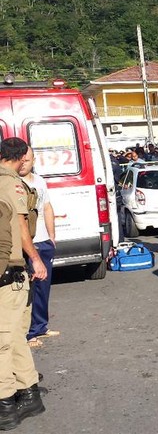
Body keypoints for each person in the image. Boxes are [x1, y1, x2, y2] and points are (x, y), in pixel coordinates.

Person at [0, 138, 46, 430]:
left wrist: (35, 259)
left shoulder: (9, 183)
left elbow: (19, 227)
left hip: (10, 272)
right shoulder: (10, 182)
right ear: (19, 158)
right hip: (12, 272)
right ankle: (27, 393)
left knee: (4, 339)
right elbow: (20, 225)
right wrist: (35, 259)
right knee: (12, 336)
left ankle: (5, 401)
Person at [19, 147, 59, 348]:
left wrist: (52, 236)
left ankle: (41, 326)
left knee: (43, 287)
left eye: (28, 159)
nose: (24, 163)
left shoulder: (40, 181)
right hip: (28, 243)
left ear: (34, 160)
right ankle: (28, 333)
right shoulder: (16, 184)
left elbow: (47, 207)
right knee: (28, 290)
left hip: (44, 241)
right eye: (21, 159)